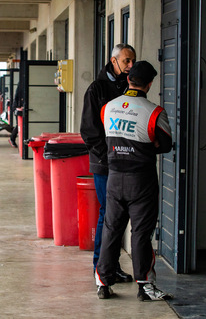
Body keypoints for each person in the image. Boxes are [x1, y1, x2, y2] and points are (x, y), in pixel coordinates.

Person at [95, 60, 173, 301]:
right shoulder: (154, 111)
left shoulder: (107, 108)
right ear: (149, 84)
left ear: (128, 79)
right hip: (142, 180)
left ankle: (103, 283)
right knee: (141, 233)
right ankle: (145, 286)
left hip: (114, 178)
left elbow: (104, 136)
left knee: (111, 230)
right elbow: (166, 144)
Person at [80, 44, 136, 281]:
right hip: (105, 164)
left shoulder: (130, 88)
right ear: (113, 61)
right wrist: (108, 156)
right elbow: (89, 132)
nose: (131, 65)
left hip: (127, 162)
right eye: (126, 61)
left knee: (120, 217)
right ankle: (100, 268)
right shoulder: (97, 89)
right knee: (108, 215)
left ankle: (112, 266)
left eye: (133, 61)